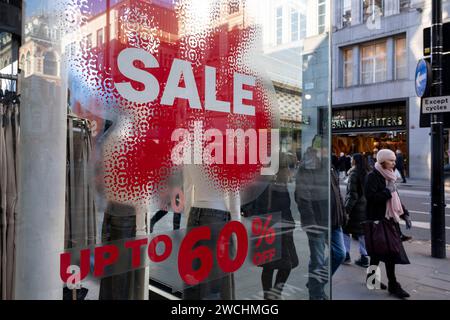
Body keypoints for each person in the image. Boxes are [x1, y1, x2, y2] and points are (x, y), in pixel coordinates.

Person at [364, 149, 412, 299]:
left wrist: (405, 214)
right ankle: (393, 285)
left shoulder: (390, 177)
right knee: (387, 252)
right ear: (383, 161)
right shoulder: (372, 176)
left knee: (379, 253)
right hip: (378, 219)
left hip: (390, 219)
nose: (394, 162)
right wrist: (387, 191)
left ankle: (372, 280)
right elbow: (370, 197)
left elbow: (395, 197)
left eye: (393, 160)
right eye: (390, 160)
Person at [343, 153, 369, 268]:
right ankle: (364, 257)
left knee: (345, 231)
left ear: (355, 161)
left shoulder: (353, 173)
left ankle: (346, 255)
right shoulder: (367, 172)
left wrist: (346, 210)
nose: (350, 161)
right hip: (364, 207)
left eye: (352, 159)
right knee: (362, 233)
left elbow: (352, 195)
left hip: (355, 209)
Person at [330, 163, 347, 275]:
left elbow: (339, 194)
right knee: (317, 258)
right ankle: (316, 282)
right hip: (321, 221)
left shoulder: (331, 168)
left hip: (336, 219)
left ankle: (318, 279)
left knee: (340, 254)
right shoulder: (310, 167)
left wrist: (343, 213)